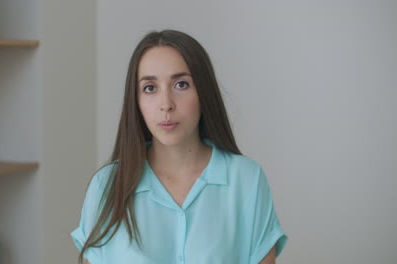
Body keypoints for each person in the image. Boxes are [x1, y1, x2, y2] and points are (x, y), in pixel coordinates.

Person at [71, 29, 288, 264]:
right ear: (137, 102)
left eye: (181, 84)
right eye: (150, 88)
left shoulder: (247, 180)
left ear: (203, 92)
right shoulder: (106, 186)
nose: (166, 104)